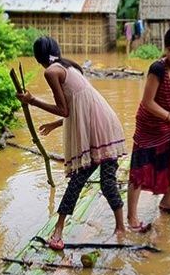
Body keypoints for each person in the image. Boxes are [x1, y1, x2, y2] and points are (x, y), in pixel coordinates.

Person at [17, 36, 127, 250]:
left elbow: (66, 110)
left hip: (96, 131)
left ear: (38, 57)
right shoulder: (69, 66)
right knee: (101, 181)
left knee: (85, 181)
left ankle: (59, 233)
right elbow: (79, 107)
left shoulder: (51, 72)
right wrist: (55, 125)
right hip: (106, 124)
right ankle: (119, 228)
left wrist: (32, 101)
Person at [126, 27, 170, 232]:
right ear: (165, 49)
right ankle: (132, 218)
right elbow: (147, 102)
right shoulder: (158, 69)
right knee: (139, 170)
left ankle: (167, 201)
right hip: (149, 125)